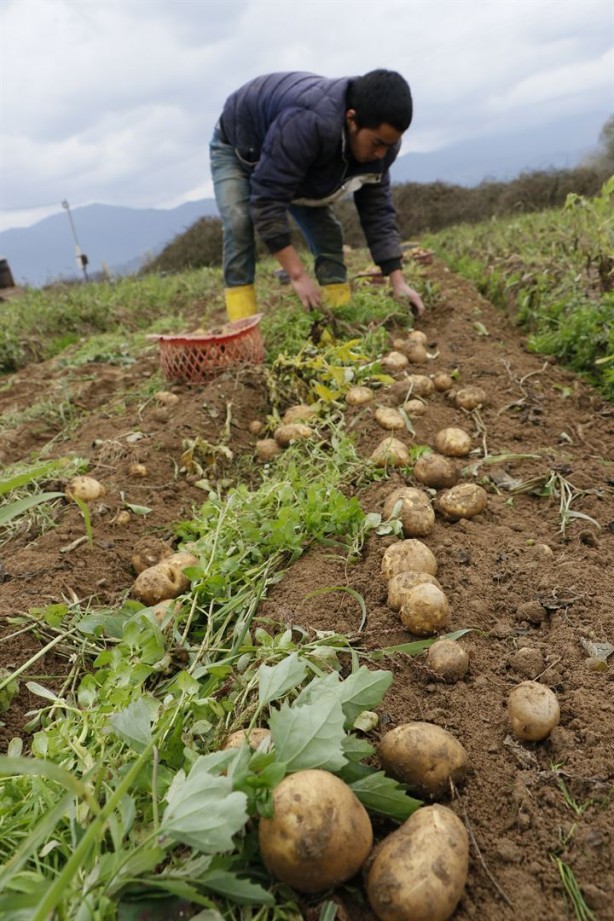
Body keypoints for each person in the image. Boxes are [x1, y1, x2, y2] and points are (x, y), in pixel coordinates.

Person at [210, 70, 425, 321]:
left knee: (328, 232)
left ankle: (340, 319)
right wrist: (298, 275)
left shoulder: (381, 147)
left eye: (389, 145)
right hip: (240, 146)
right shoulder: (309, 122)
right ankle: (241, 326)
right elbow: (267, 202)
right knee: (239, 223)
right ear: (351, 118)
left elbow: (377, 212)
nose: (381, 154)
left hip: (296, 157)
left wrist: (397, 280)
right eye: (377, 143)